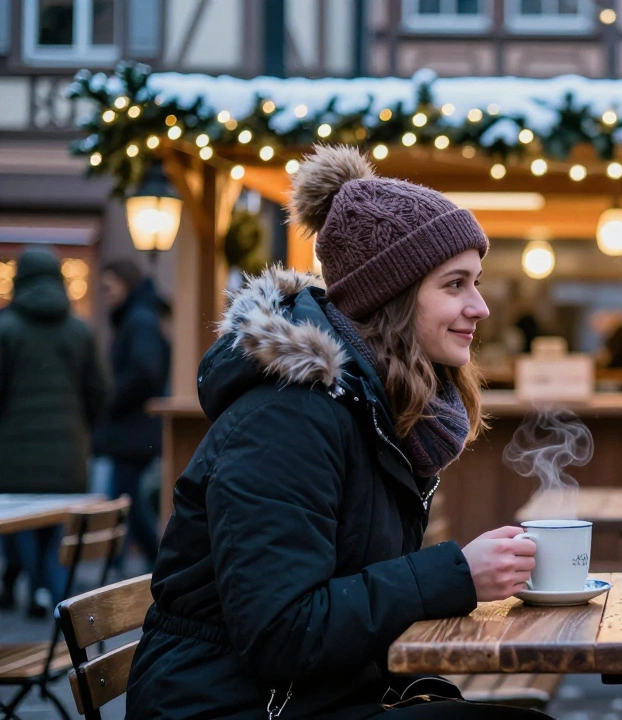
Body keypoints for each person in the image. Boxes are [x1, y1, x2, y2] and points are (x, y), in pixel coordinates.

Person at [125, 146, 545, 719]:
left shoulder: (370, 407)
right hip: (229, 706)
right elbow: (282, 633)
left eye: (475, 282)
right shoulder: (288, 418)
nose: (480, 307)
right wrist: (455, 575)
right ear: (391, 297)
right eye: (455, 284)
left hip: (312, 697)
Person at [0, 248, 106, 615]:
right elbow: (98, 392)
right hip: (68, 450)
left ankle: (39, 588)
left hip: (15, 453)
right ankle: (55, 594)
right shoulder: (79, 330)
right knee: (59, 527)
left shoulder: (5, 329)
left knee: (22, 526)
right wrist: (81, 430)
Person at [94, 259, 169, 568]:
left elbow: (145, 371)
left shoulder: (139, 320)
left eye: (109, 287)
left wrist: (112, 400)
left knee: (126, 504)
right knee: (126, 503)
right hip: (134, 432)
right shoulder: (140, 318)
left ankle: (154, 564)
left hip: (132, 432)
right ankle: (132, 564)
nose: (105, 294)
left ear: (125, 283)